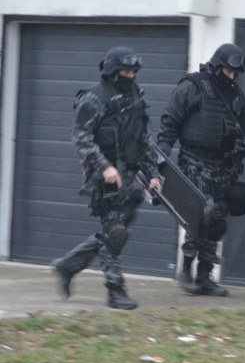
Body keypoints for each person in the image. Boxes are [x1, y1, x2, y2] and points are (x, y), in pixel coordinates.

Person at [51, 47, 162, 310]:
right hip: (105, 176)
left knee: (114, 232)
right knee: (115, 231)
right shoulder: (94, 98)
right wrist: (104, 167)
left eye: (134, 71)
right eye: (126, 71)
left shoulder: (135, 96)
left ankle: (68, 265)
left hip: (130, 174)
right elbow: (81, 137)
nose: (131, 75)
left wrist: (153, 174)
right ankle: (115, 290)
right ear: (113, 72)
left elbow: (144, 138)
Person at [157, 43, 245, 296]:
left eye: (235, 73)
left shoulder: (235, 94)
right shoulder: (192, 86)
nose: (231, 77)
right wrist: (161, 155)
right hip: (195, 161)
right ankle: (186, 270)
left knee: (217, 220)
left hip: (224, 166)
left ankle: (204, 277)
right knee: (202, 215)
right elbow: (170, 120)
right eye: (228, 71)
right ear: (217, 65)